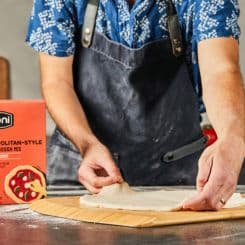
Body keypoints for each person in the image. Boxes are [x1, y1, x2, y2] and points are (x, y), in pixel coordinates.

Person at [26, 0, 245, 211]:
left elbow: (221, 70)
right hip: (83, 172)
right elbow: (56, 82)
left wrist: (232, 137)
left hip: (180, 175)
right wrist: (87, 144)